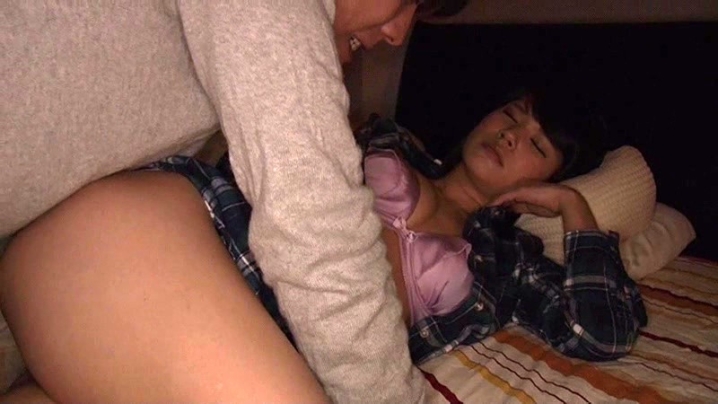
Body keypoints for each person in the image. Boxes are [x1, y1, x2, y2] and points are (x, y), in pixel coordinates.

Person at [0, 0, 469, 402]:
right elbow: (317, 227)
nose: (399, 33)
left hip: (76, 271)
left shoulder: (489, 245)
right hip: (101, 247)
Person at [360, 84, 648, 363]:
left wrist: (571, 203)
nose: (509, 134)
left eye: (536, 145)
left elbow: (600, 337)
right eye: (511, 114)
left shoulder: (508, 261)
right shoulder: (393, 142)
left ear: (549, 182)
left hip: (350, 346)